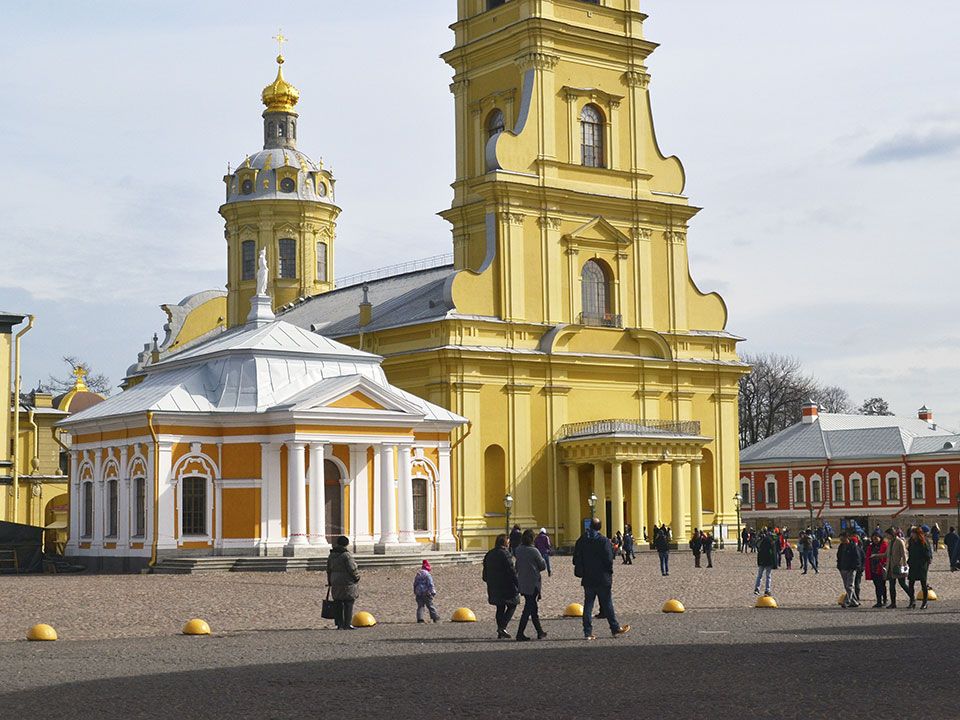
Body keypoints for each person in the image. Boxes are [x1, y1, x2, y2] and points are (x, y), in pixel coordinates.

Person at [573, 518, 631, 640]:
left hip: (588, 577)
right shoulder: (603, 541)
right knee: (607, 603)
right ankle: (614, 628)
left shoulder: (582, 540)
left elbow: (575, 558)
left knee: (588, 605)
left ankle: (587, 632)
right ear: (600, 527)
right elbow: (609, 560)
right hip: (602, 578)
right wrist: (609, 572)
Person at [483, 534, 520, 638]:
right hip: (506, 585)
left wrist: (488, 580)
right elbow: (512, 571)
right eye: (508, 542)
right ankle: (502, 627)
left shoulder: (489, 554)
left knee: (500, 607)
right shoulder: (505, 554)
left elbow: (485, 571)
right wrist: (518, 584)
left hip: (493, 585)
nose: (509, 544)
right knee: (513, 604)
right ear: (505, 543)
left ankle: (501, 631)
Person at [514, 528, 548, 641]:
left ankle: (540, 632)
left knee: (533, 607)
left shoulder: (518, 550)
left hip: (523, 582)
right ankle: (520, 633)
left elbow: (517, 566)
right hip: (533, 583)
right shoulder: (534, 551)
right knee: (528, 609)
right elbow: (542, 566)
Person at [326, 535, 360, 630]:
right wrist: (357, 577)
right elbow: (352, 568)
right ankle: (347, 623)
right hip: (346, 581)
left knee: (337, 602)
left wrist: (330, 580)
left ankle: (339, 624)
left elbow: (328, 569)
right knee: (348, 602)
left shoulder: (331, 555)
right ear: (346, 544)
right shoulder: (346, 555)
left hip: (335, 580)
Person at [907, 526, 933, 610]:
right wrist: (909, 561)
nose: (912, 535)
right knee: (911, 583)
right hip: (913, 564)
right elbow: (910, 551)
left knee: (923, 584)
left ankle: (924, 602)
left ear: (917, 534)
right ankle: (912, 601)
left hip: (921, 565)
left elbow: (927, 553)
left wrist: (926, 561)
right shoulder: (911, 541)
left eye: (913, 533)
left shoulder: (924, 541)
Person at [884, 527, 910, 609]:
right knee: (891, 585)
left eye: (887, 535)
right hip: (890, 567)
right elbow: (886, 554)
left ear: (891, 534)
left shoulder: (899, 541)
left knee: (902, 584)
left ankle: (912, 598)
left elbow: (904, 554)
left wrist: (905, 565)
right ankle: (893, 603)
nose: (886, 537)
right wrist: (876, 556)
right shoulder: (890, 542)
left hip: (898, 566)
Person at [836, 531, 860, 608]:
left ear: (847, 538)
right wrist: (839, 566)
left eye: (843, 539)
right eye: (841, 539)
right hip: (843, 568)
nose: (842, 541)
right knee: (847, 586)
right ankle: (855, 602)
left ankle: (847, 601)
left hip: (851, 569)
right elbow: (839, 556)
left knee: (849, 585)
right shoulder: (841, 546)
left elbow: (857, 558)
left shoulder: (853, 546)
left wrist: (854, 567)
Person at [865, 531, 888, 608]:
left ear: (880, 538)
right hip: (873, 568)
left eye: (876, 538)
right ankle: (879, 601)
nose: (875, 540)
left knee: (882, 585)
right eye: (873, 538)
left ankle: (884, 600)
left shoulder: (884, 545)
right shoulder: (871, 547)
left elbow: (886, 556)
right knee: (877, 585)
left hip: (881, 568)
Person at [413, 559, 440, 623]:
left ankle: (420, 618)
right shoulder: (427, 575)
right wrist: (433, 592)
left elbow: (415, 583)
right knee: (430, 605)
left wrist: (415, 590)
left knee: (420, 606)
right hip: (426, 592)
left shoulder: (418, 574)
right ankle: (435, 617)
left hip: (419, 592)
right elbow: (430, 584)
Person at [754, 528, 777, 596]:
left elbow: (758, 549)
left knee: (759, 575)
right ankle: (767, 590)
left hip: (762, 560)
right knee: (768, 576)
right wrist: (775, 563)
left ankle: (757, 588)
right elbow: (773, 552)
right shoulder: (770, 540)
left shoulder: (760, 541)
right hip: (768, 560)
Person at [851, 534, 865, 603]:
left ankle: (856, 597)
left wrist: (861, 568)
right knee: (853, 584)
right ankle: (853, 597)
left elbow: (863, 559)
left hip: (858, 569)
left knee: (856, 584)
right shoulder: (858, 549)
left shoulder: (859, 549)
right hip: (852, 569)